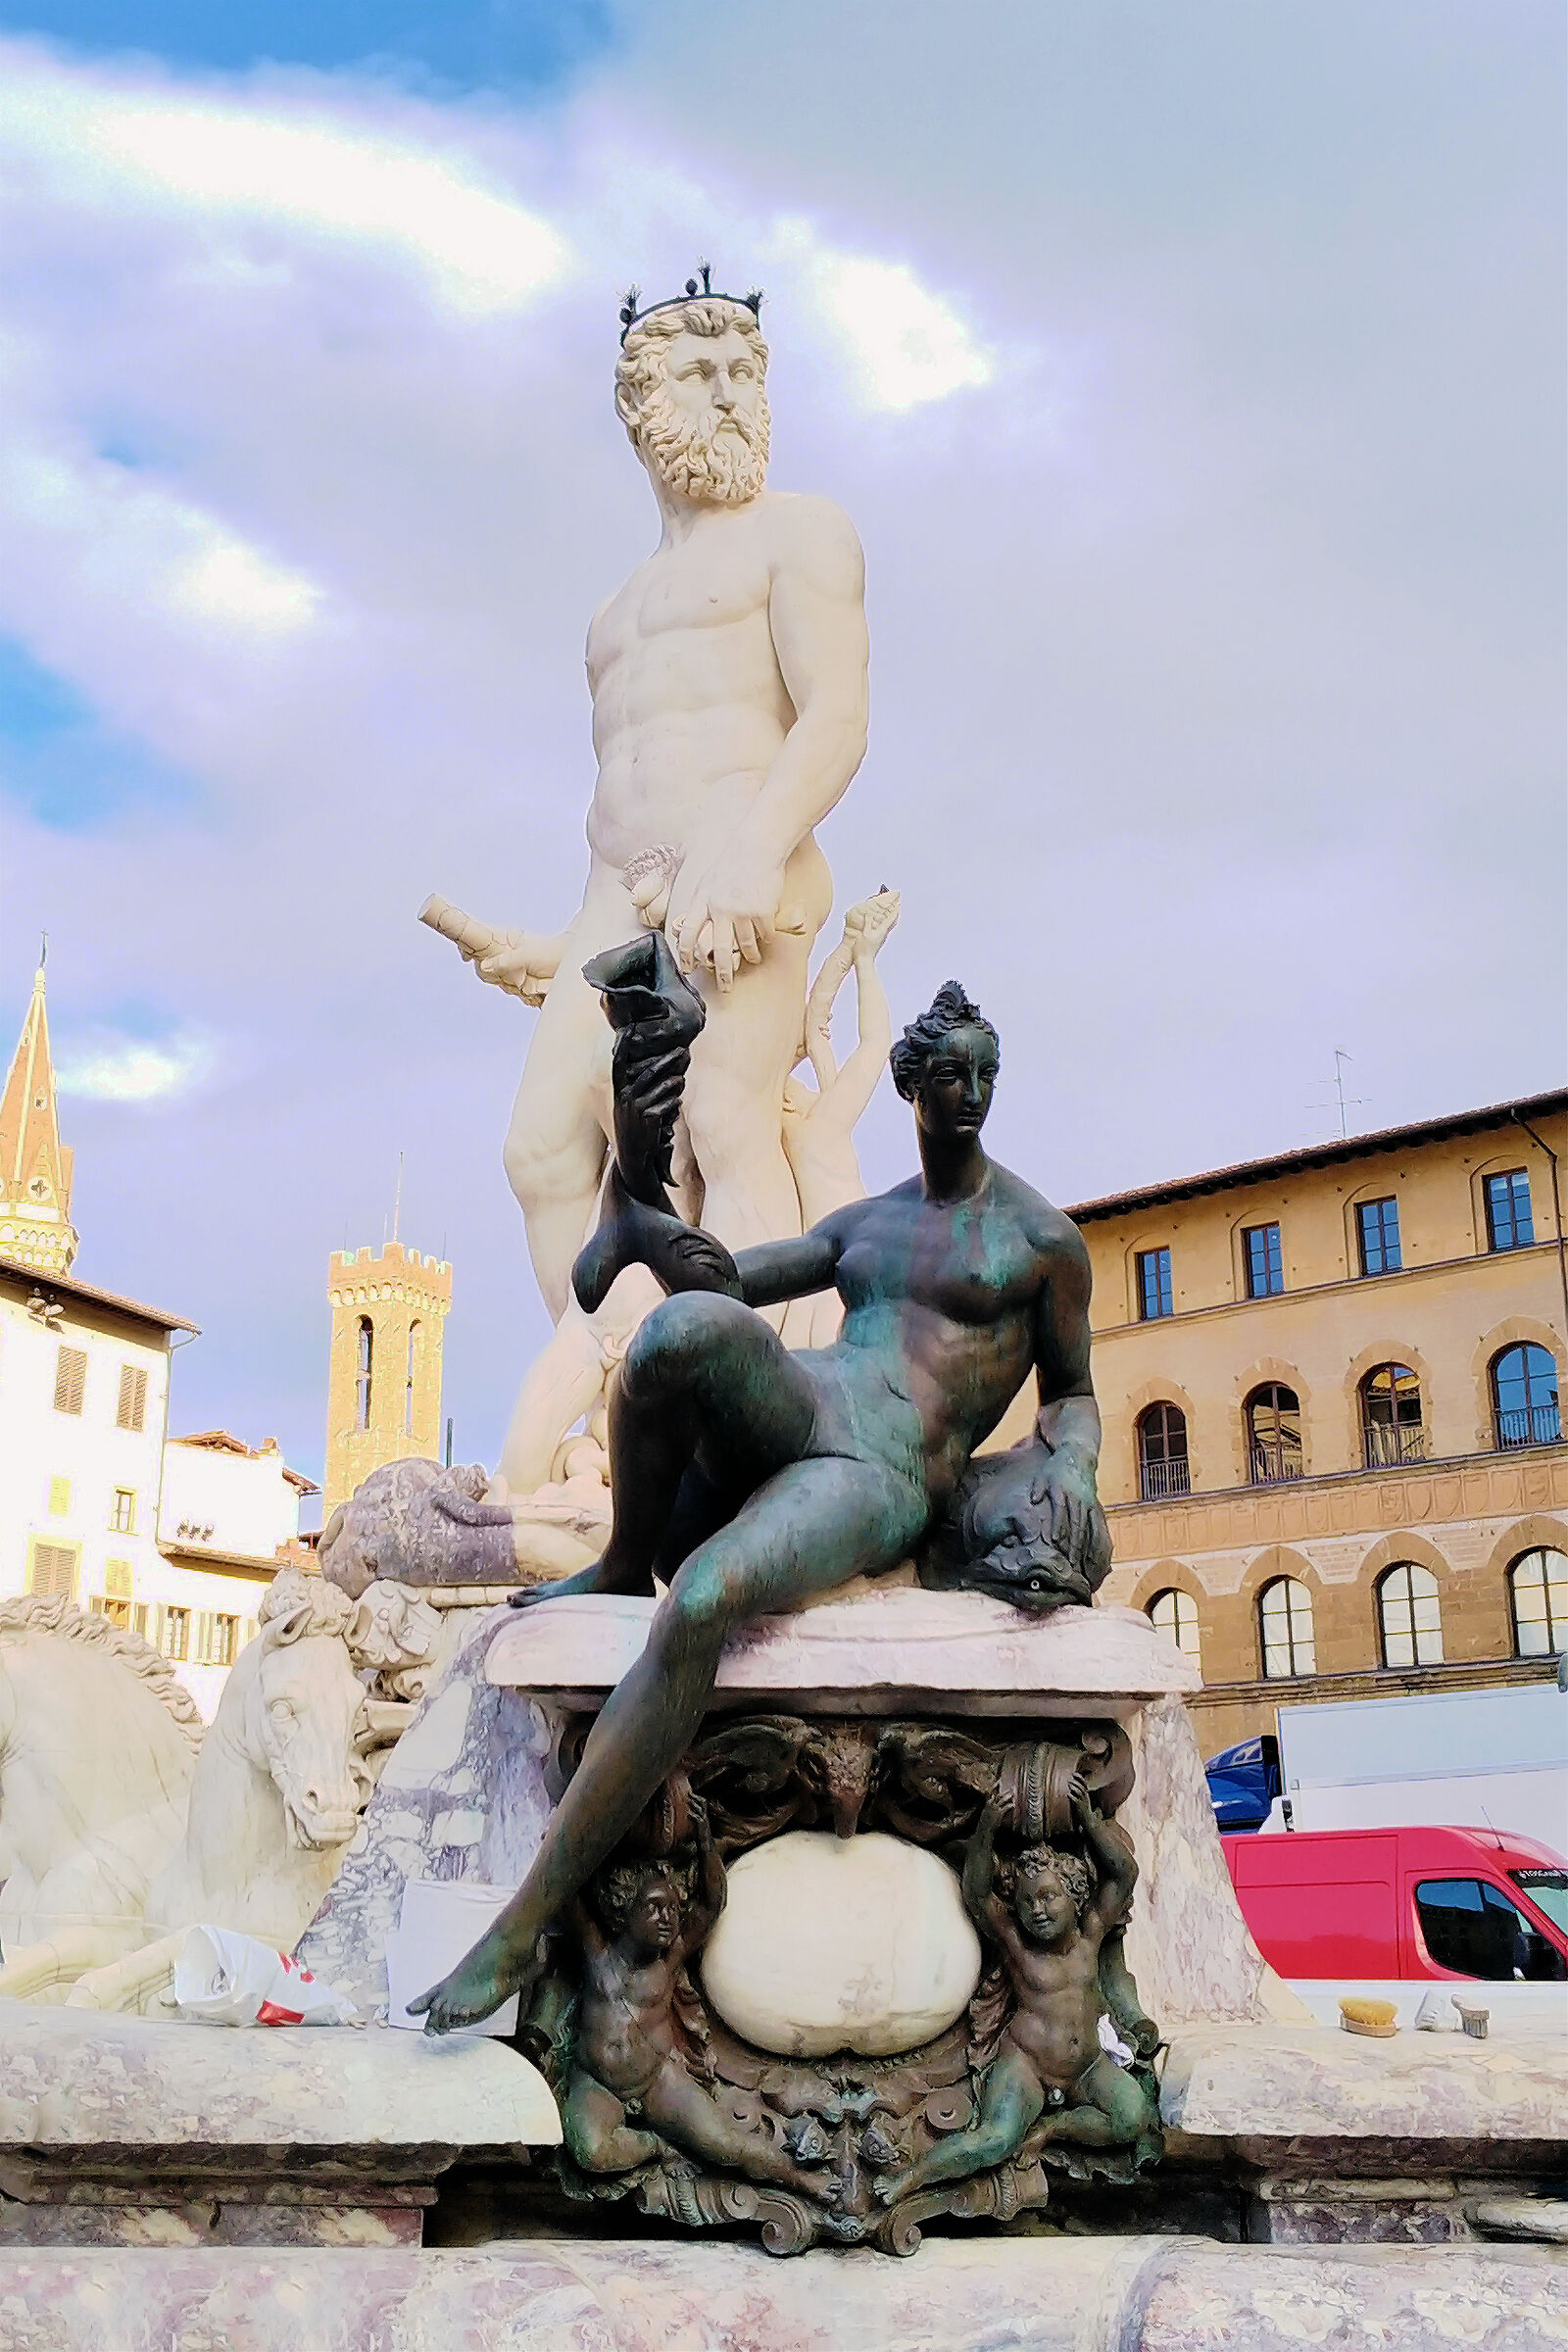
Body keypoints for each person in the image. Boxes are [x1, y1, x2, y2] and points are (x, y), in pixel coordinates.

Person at [411, 981, 1108, 2033]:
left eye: (986, 1077)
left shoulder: (1039, 1242)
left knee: (703, 1600)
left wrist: (1071, 1467)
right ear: (912, 1088)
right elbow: (730, 1279)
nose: (969, 1095)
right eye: (950, 1076)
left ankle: (525, 1922)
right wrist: (639, 1194)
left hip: (883, 1470)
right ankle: (618, 1556)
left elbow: (1076, 1394)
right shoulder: (865, 1225)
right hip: (816, 1396)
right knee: (681, 1328)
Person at [455, 281, 871, 1320]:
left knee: (723, 1127)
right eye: (700, 374)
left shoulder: (801, 534)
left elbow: (837, 716)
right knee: (542, 1149)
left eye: (745, 374)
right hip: (615, 900)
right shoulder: (612, 615)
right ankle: (611, 1405)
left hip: (744, 863)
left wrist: (755, 851)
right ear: (643, 407)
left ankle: (760, 1400)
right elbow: (623, 802)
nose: (730, 394)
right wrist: (559, 949)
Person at [872, 1776, 1162, 2204]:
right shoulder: (1015, 1942)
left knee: (1131, 2115)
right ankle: (913, 2178)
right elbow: (977, 1893)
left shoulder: (1091, 1935)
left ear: (1076, 1896)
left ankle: (1051, 2127)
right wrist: (987, 1825)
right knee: (995, 2140)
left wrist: (1088, 1819)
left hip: (1086, 2067)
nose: (1037, 1910)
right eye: (1027, 1901)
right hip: (1027, 2064)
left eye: (1048, 1897)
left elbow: (1125, 1874)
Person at [560, 1795, 829, 2194]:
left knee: (722, 2143)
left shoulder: (669, 1961)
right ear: (624, 1911)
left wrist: (706, 1846)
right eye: (653, 1908)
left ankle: (803, 2181)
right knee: (591, 2152)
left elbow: (710, 1903)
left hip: (656, 2081)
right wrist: (587, 1816)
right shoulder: (598, 1953)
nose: (666, 1918)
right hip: (596, 2082)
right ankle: (655, 2147)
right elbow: (566, 1887)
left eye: (671, 1908)